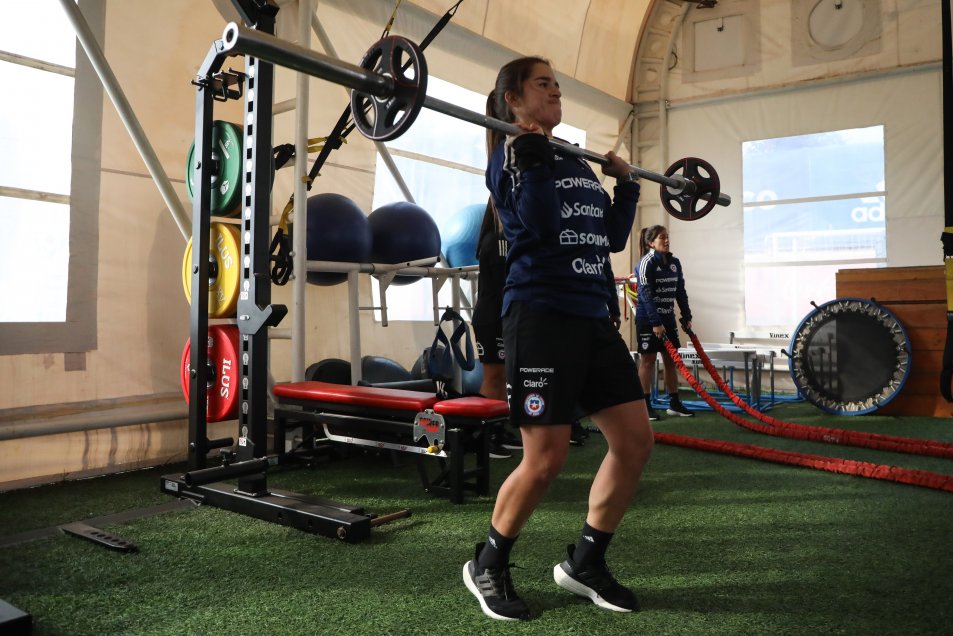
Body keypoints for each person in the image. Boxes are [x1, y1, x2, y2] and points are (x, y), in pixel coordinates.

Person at [463, 56, 654, 621]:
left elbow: (609, 237)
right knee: (544, 459)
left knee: (635, 441)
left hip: (593, 316)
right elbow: (543, 225)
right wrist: (532, 155)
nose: (556, 93)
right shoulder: (509, 159)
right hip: (540, 315)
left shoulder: (572, 157)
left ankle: (586, 564)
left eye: (558, 86)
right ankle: (488, 564)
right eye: (543, 84)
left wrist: (626, 188)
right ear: (513, 100)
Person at [471, 198, 523, 457]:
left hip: (503, 315)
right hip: (492, 317)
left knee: (502, 378)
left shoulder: (511, 240)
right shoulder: (495, 241)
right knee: (493, 377)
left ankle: (498, 429)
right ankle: (486, 438)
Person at [634, 225, 694, 420]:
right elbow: (645, 294)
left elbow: (680, 292)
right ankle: (644, 406)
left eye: (667, 237)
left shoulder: (675, 262)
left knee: (671, 360)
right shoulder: (646, 263)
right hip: (648, 320)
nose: (666, 240)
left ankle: (674, 403)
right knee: (648, 361)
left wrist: (687, 316)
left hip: (668, 319)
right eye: (662, 238)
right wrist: (655, 322)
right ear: (651, 242)